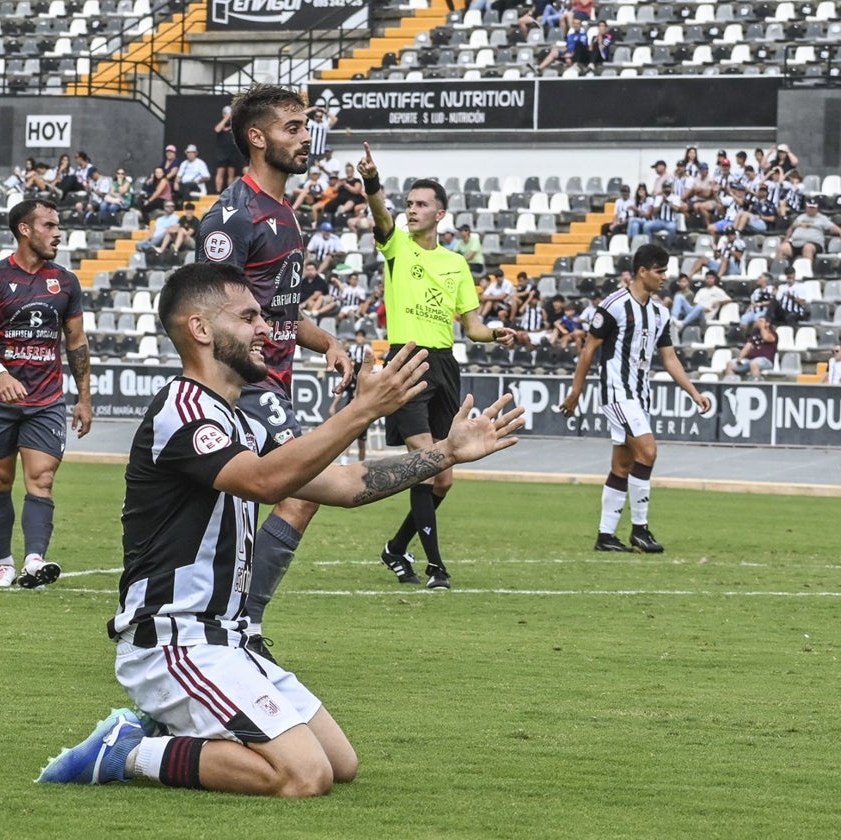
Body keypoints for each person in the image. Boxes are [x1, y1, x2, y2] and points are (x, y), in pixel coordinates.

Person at [35, 261, 525, 796]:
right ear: (201, 329)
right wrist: (362, 411)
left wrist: (445, 453)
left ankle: (184, 725)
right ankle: (128, 753)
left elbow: (341, 485)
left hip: (231, 641)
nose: (266, 328)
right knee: (302, 776)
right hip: (174, 641)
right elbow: (267, 483)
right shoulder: (181, 410)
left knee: (341, 763)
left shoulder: (241, 419)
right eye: (248, 317)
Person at [195, 84, 355, 658]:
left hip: (275, 382)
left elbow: (281, 310)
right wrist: (222, 389)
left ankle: (227, 622)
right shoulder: (232, 218)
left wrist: (327, 342)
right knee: (303, 490)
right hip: (244, 388)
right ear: (257, 138)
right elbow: (208, 312)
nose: (305, 135)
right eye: (292, 126)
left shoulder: (283, 212)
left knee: (245, 510)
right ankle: (242, 623)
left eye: (306, 124)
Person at [359, 141, 517, 589]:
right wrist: (372, 181)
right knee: (427, 461)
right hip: (405, 363)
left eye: (421, 204)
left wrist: (495, 332)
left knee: (443, 478)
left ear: (440, 214)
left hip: (445, 366)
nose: (412, 210)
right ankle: (436, 568)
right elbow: (380, 215)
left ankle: (394, 548)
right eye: (408, 203)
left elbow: (472, 325)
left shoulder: (456, 264)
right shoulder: (397, 246)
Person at [0, 198, 93, 589]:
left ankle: (34, 562)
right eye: (50, 225)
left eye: (58, 225)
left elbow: (76, 341)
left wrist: (84, 397)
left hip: (46, 400)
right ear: (25, 229)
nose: (58, 233)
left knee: (41, 480)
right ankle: (4, 563)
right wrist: (1, 373)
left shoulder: (66, 282)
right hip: (0, 400)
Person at [559, 243, 711, 553]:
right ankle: (640, 530)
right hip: (617, 392)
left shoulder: (660, 312)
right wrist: (576, 391)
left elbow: (669, 358)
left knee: (623, 464)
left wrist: (693, 392)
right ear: (642, 271)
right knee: (649, 452)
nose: (664, 277)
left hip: (640, 395)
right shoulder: (613, 305)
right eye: (660, 271)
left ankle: (605, 536)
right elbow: (589, 349)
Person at [329, 328, 374, 463]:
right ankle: (344, 460)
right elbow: (342, 391)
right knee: (347, 435)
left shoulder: (366, 381)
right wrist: (333, 406)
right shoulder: (351, 378)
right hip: (351, 408)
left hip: (363, 410)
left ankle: (362, 464)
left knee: (361, 440)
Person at [777, 199, 841, 264]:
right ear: (806, 208)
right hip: (796, 243)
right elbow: (792, 228)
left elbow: (834, 228)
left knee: (807, 248)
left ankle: (807, 271)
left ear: (816, 208)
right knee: (782, 248)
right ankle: (779, 269)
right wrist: (786, 239)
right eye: (810, 207)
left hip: (814, 244)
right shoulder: (800, 217)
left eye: (813, 208)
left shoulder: (822, 218)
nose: (811, 209)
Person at [213, 105, 244, 193]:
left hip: (233, 152)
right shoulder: (221, 124)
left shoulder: (234, 126)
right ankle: (218, 192)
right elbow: (217, 129)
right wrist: (226, 118)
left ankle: (229, 193)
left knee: (231, 173)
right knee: (220, 172)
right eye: (226, 114)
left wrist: (232, 119)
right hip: (222, 152)